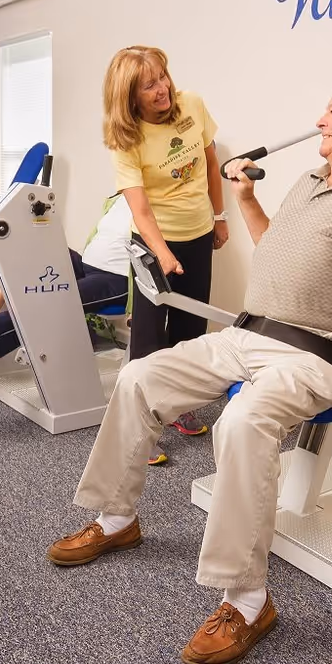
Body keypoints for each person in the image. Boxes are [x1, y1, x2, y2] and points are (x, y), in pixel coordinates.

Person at [47, 79, 332, 664]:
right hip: (248, 335)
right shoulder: (308, 182)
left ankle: (246, 601)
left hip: (317, 355)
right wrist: (244, 200)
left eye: (331, 110)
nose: (320, 119)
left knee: (241, 422)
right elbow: (276, 251)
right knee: (138, 376)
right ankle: (116, 518)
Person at [103, 46, 227, 464]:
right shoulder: (127, 139)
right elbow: (139, 208)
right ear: (130, 97)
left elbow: (210, 164)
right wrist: (162, 253)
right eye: (149, 85)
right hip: (155, 243)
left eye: (163, 77)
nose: (163, 89)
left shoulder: (191, 104)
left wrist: (220, 217)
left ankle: (176, 405)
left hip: (197, 232)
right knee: (148, 339)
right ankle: (139, 427)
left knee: (191, 329)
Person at [0, 194, 133, 360]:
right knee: (37, 247)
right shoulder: (120, 199)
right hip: (87, 264)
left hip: (117, 278)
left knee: (59, 294)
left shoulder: (157, 203)